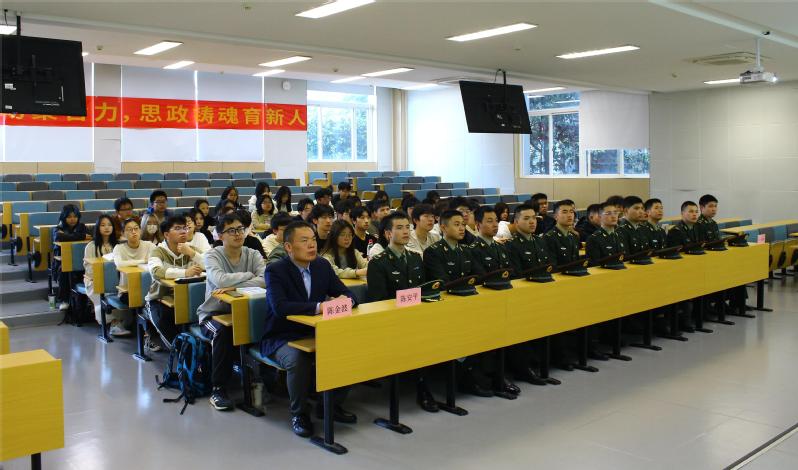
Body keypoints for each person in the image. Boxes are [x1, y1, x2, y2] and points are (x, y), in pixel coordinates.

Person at [261, 221, 358, 438]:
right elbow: (280, 307)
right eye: (304, 241)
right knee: (298, 358)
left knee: (348, 349)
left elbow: (349, 294)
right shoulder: (276, 270)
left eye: (313, 240)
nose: (312, 245)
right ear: (288, 247)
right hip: (282, 336)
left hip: (316, 331)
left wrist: (346, 301)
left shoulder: (322, 265)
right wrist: (319, 307)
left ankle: (329, 405)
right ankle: (299, 414)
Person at [197, 212, 266, 412]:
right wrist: (249, 275)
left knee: (267, 324)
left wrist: (234, 285)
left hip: (247, 313)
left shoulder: (252, 253)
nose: (238, 234)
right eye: (232, 230)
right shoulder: (212, 255)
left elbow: (265, 279)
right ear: (220, 235)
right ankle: (218, 389)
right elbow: (220, 280)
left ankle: (264, 380)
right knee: (223, 331)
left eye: (240, 229)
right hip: (213, 314)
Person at [504, 204, 553, 385]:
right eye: (526, 218)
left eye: (533, 218)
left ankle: (539, 364)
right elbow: (517, 274)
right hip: (524, 297)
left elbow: (549, 267)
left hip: (542, 294)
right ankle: (523, 369)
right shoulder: (511, 245)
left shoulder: (540, 241)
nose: (532, 222)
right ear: (516, 222)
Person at [145, 216, 205, 350]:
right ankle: (182, 353)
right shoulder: (158, 251)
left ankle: (195, 351)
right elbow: (156, 271)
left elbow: (212, 266)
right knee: (163, 319)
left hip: (188, 298)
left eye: (185, 228)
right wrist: (185, 272)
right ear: (166, 234)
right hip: (159, 299)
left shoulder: (191, 249)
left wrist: (192, 254)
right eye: (177, 228)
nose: (183, 231)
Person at [113, 218, 156, 331]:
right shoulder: (119, 248)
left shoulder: (149, 246)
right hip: (127, 290)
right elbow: (120, 264)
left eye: (136, 228)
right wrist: (142, 261)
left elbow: (154, 262)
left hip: (149, 288)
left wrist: (138, 262)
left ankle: (148, 330)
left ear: (140, 230)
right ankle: (144, 332)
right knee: (139, 301)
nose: (134, 232)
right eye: (129, 229)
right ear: (123, 233)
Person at [83, 215, 123, 334]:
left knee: (124, 292)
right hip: (94, 280)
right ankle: (112, 322)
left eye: (109, 225)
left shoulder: (117, 245)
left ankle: (120, 322)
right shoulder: (91, 246)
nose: (107, 228)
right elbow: (88, 268)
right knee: (102, 293)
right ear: (98, 227)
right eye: (103, 225)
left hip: (116, 280)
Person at [53, 204, 90, 311]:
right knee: (64, 269)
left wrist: (68, 237)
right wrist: (81, 236)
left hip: (81, 260)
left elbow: (89, 236)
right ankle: (64, 300)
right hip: (61, 261)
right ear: (64, 217)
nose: (73, 219)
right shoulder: (58, 228)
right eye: (69, 217)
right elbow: (59, 236)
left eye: (75, 216)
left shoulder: (81, 227)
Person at [542, 199, 581, 267]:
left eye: (571, 212)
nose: (569, 215)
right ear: (555, 216)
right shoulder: (549, 237)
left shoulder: (574, 236)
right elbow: (552, 267)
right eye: (564, 212)